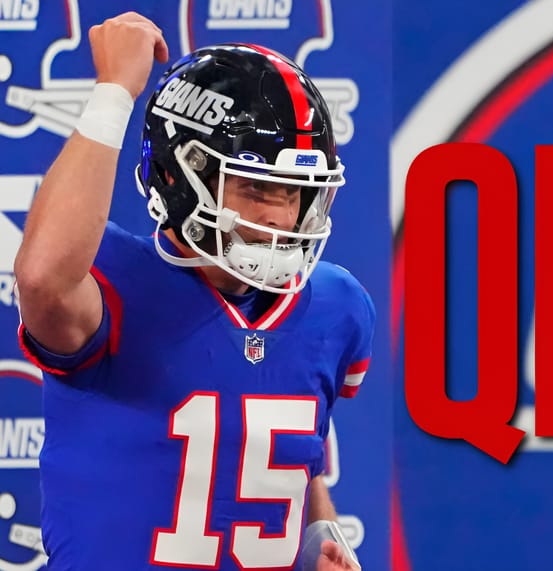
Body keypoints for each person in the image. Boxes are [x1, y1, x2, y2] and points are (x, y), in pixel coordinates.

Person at [13, 12, 373, 571]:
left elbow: (292, 458)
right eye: (258, 187)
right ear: (182, 175)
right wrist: (114, 93)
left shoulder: (336, 307)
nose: (281, 216)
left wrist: (317, 533)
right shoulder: (109, 281)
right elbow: (41, 280)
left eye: (296, 192)